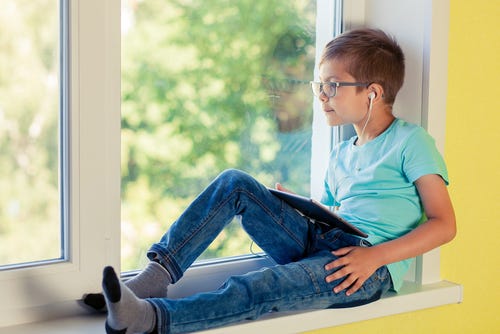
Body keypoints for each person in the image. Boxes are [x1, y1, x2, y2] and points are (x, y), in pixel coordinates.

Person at [88, 28, 456, 334]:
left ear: (372, 93)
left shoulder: (411, 141)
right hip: (324, 241)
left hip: (364, 268)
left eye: (333, 85)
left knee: (262, 285)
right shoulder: (342, 153)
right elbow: (333, 215)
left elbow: (445, 224)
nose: (322, 96)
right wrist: (295, 206)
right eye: (320, 85)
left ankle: (147, 320)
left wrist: (374, 258)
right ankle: (155, 276)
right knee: (236, 183)